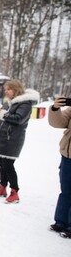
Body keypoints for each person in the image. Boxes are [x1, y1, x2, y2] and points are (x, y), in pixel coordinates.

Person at [0, 80, 39, 203]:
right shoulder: (9, 103)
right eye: (6, 90)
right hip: (3, 138)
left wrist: (2, 113)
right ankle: (2, 187)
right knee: (1, 163)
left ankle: (14, 191)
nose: (6, 92)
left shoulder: (24, 104)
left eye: (9, 89)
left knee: (8, 165)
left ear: (16, 90)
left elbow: (18, 119)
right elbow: (3, 119)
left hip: (13, 139)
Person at [48, 96, 71, 239]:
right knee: (66, 190)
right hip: (67, 155)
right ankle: (61, 221)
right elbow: (59, 122)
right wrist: (56, 108)